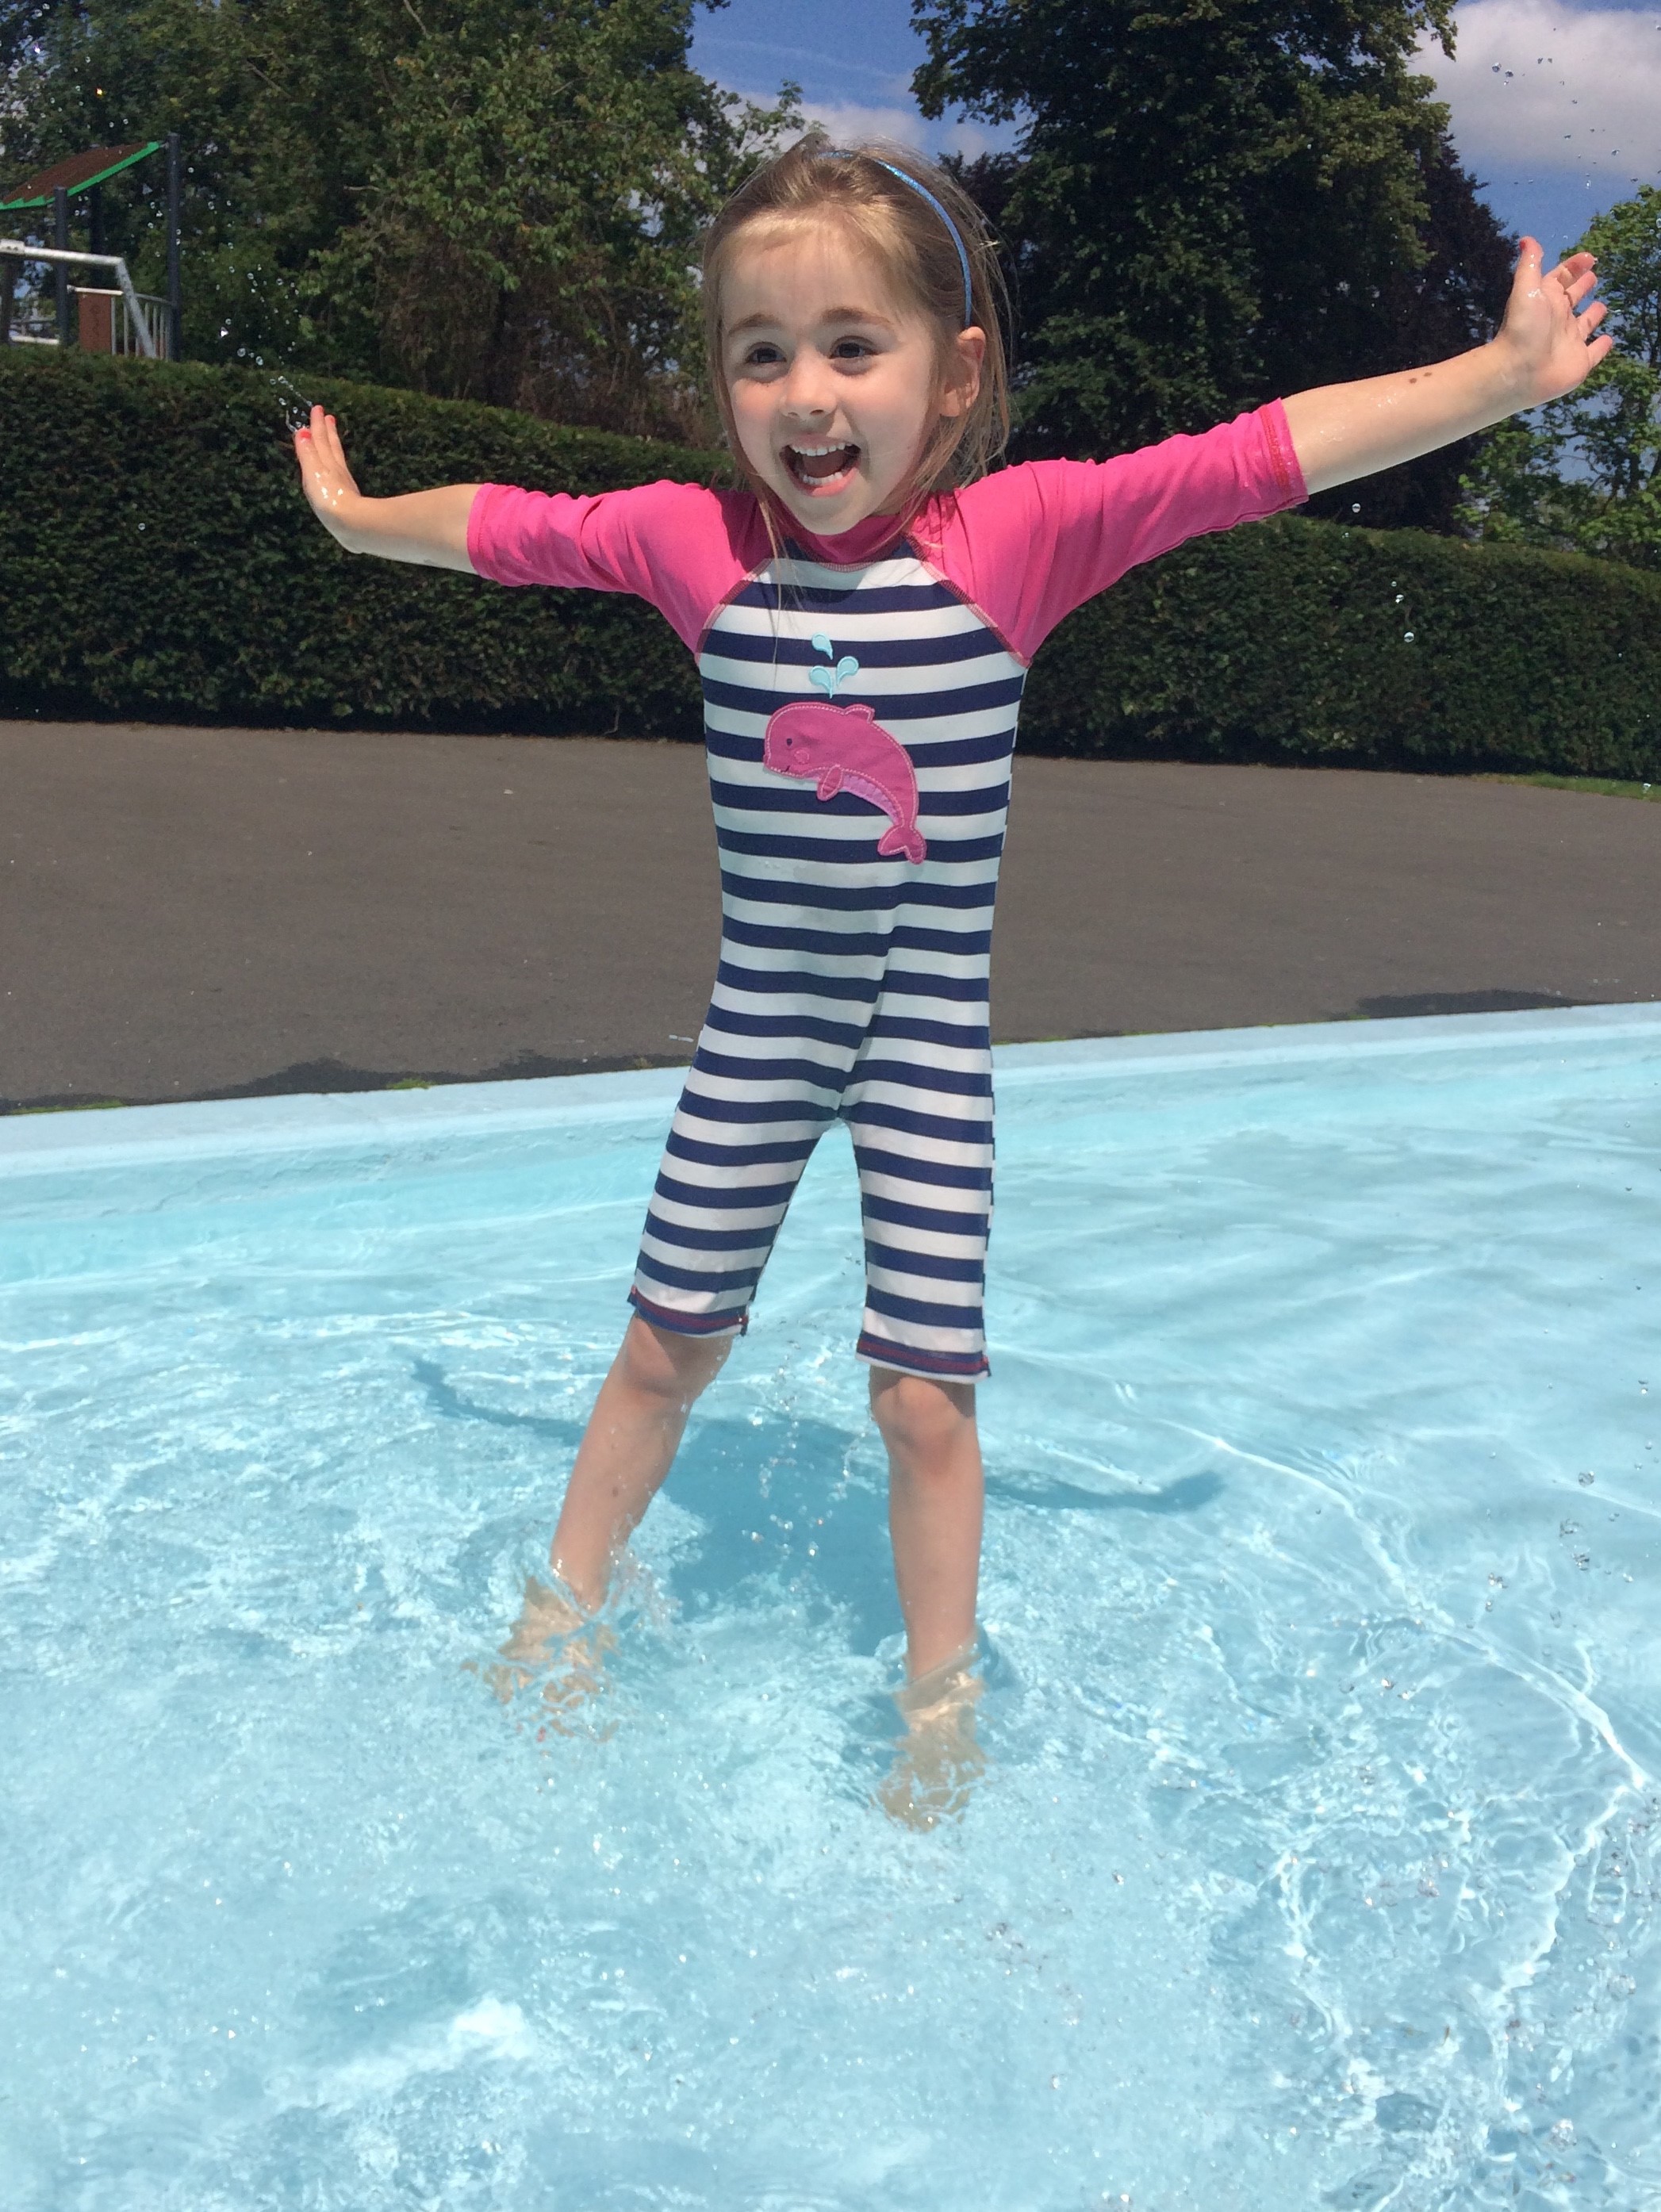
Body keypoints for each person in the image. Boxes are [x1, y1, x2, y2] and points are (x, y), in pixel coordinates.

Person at [294, 132, 1609, 1819]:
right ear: (722, 380)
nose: (806, 393)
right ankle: (564, 1613)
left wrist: (1495, 382)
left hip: (922, 1052)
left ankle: (939, 1702)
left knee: (923, 1404)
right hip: (758, 1039)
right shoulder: (694, 543)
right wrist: (353, 520)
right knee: (658, 1352)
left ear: (953, 368)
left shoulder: (1021, 537)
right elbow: (512, 528)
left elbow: (1251, 460)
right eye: (760, 353)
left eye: (854, 345)